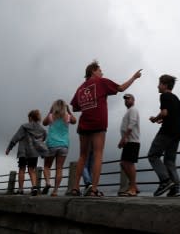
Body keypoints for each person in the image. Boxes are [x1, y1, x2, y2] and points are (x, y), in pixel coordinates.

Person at [70, 60, 142, 197]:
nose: (102, 73)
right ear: (93, 71)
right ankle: (93, 190)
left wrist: (88, 103)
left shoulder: (80, 88)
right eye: (100, 70)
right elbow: (121, 88)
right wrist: (134, 77)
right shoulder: (101, 82)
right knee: (98, 154)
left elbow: (75, 107)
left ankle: (75, 188)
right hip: (98, 122)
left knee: (82, 156)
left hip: (84, 123)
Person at [148, 74, 180, 197]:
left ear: (165, 85)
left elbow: (164, 112)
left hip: (167, 131)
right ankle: (175, 189)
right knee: (170, 161)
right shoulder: (176, 98)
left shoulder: (164, 96)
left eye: (159, 83)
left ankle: (165, 181)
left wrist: (155, 119)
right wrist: (162, 119)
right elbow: (174, 115)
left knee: (153, 155)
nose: (158, 86)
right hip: (177, 132)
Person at [5, 109, 46, 196]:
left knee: (22, 169)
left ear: (30, 117)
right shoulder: (42, 129)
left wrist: (9, 148)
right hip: (34, 152)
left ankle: (20, 190)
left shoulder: (24, 126)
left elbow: (16, 137)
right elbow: (44, 137)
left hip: (23, 151)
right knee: (32, 170)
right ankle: (34, 187)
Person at [41, 100, 77, 196]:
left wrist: (50, 111)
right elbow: (75, 121)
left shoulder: (51, 116)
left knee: (47, 166)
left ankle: (48, 182)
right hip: (64, 145)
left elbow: (44, 123)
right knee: (59, 168)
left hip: (51, 145)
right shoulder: (68, 117)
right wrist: (69, 111)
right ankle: (55, 191)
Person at [117, 93, 140, 197]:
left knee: (128, 163)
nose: (126, 101)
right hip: (128, 141)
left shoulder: (133, 110)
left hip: (132, 141)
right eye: (125, 99)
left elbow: (132, 124)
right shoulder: (129, 111)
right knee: (123, 163)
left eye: (128, 99)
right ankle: (134, 185)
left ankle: (132, 188)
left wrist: (124, 138)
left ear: (133, 100)